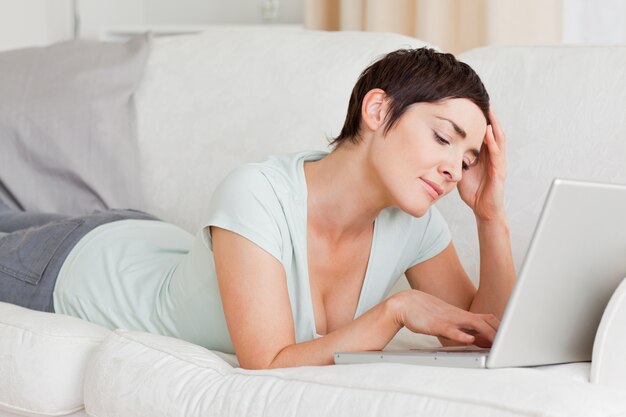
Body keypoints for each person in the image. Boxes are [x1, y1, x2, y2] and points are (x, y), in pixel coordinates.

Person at [0, 47, 515, 370]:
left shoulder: (415, 221)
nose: (454, 167)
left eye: (468, 158)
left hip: (146, 239)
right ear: (378, 110)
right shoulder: (257, 191)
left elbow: (480, 332)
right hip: (70, 267)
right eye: (444, 138)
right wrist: (395, 310)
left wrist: (489, 218)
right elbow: (268, 361)